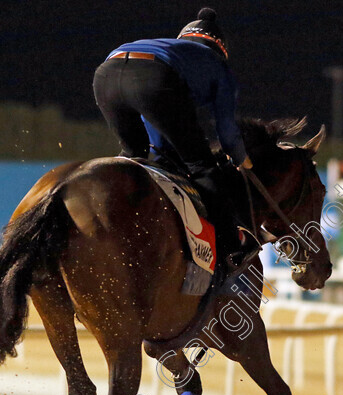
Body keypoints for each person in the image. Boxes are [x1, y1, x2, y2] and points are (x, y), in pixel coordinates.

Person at [93, 7, 254, 270]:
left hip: (105, 74)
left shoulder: (174, 51)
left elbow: (155, 125)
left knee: (135, 156)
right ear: (220, 49)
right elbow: (226, 131)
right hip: (152, 78)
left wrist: (160, 152)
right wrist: (242, 159)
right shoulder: (218, 66)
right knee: (203, 167)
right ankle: (231, 249)